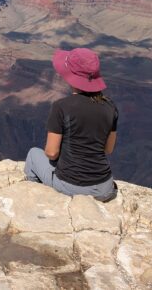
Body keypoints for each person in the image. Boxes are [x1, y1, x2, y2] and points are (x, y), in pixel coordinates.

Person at [24, 47, 118, 202]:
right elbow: (108, 149)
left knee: (33, 154)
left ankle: (36, 201)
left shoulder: (61, 106)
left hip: (72, 186)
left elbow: (51, 152)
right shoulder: (110, 107)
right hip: (105, 188)